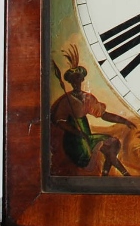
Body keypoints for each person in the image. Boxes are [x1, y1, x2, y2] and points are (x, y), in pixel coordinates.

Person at [50, 45, 135, 176]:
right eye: (73, 80)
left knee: (113, 144)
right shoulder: (67, 100)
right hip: (74, 141)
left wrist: (124, 121)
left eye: (78, 79)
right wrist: (76, 132)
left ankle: (107, 174)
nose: (76, 83)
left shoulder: (87, 98)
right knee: (101, 150)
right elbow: (59, 121)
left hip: (86, 135)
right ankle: (124, 174)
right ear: (71, 82)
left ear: (82, 80)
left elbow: (104, 115)